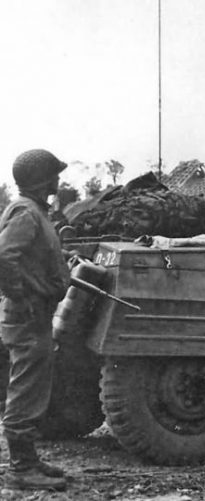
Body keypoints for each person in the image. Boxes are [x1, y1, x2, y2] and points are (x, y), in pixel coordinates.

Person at [0, 149, 70, 491]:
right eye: (54, 174)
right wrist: (19, 296)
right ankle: (21, 468)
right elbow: (3, 256)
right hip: (28, 315)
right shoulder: (27, 212)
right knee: (26, 390)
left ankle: (28, 460)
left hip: (33, 314)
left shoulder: (32, 211)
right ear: (44, 181)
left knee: (32, 386)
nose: (59, 179)